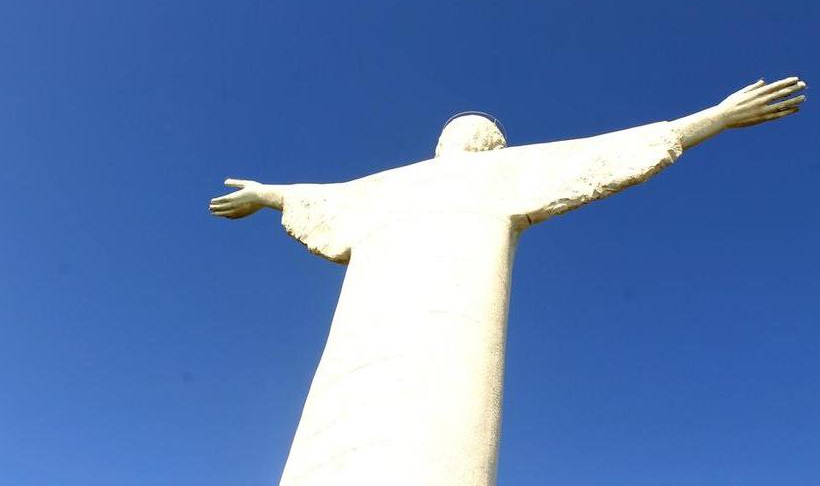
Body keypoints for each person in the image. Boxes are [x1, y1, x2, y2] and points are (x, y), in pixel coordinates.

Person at [209, 77, 805, 486]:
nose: (472, 136)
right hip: (363, 338)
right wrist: (269, 195)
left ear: (498, 146)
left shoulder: (509, 172)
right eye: (463, 129)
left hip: (456, 332)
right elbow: (322, 197)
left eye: (484, 132)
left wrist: (716, 118)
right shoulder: (386, 186)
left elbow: (608, 152)